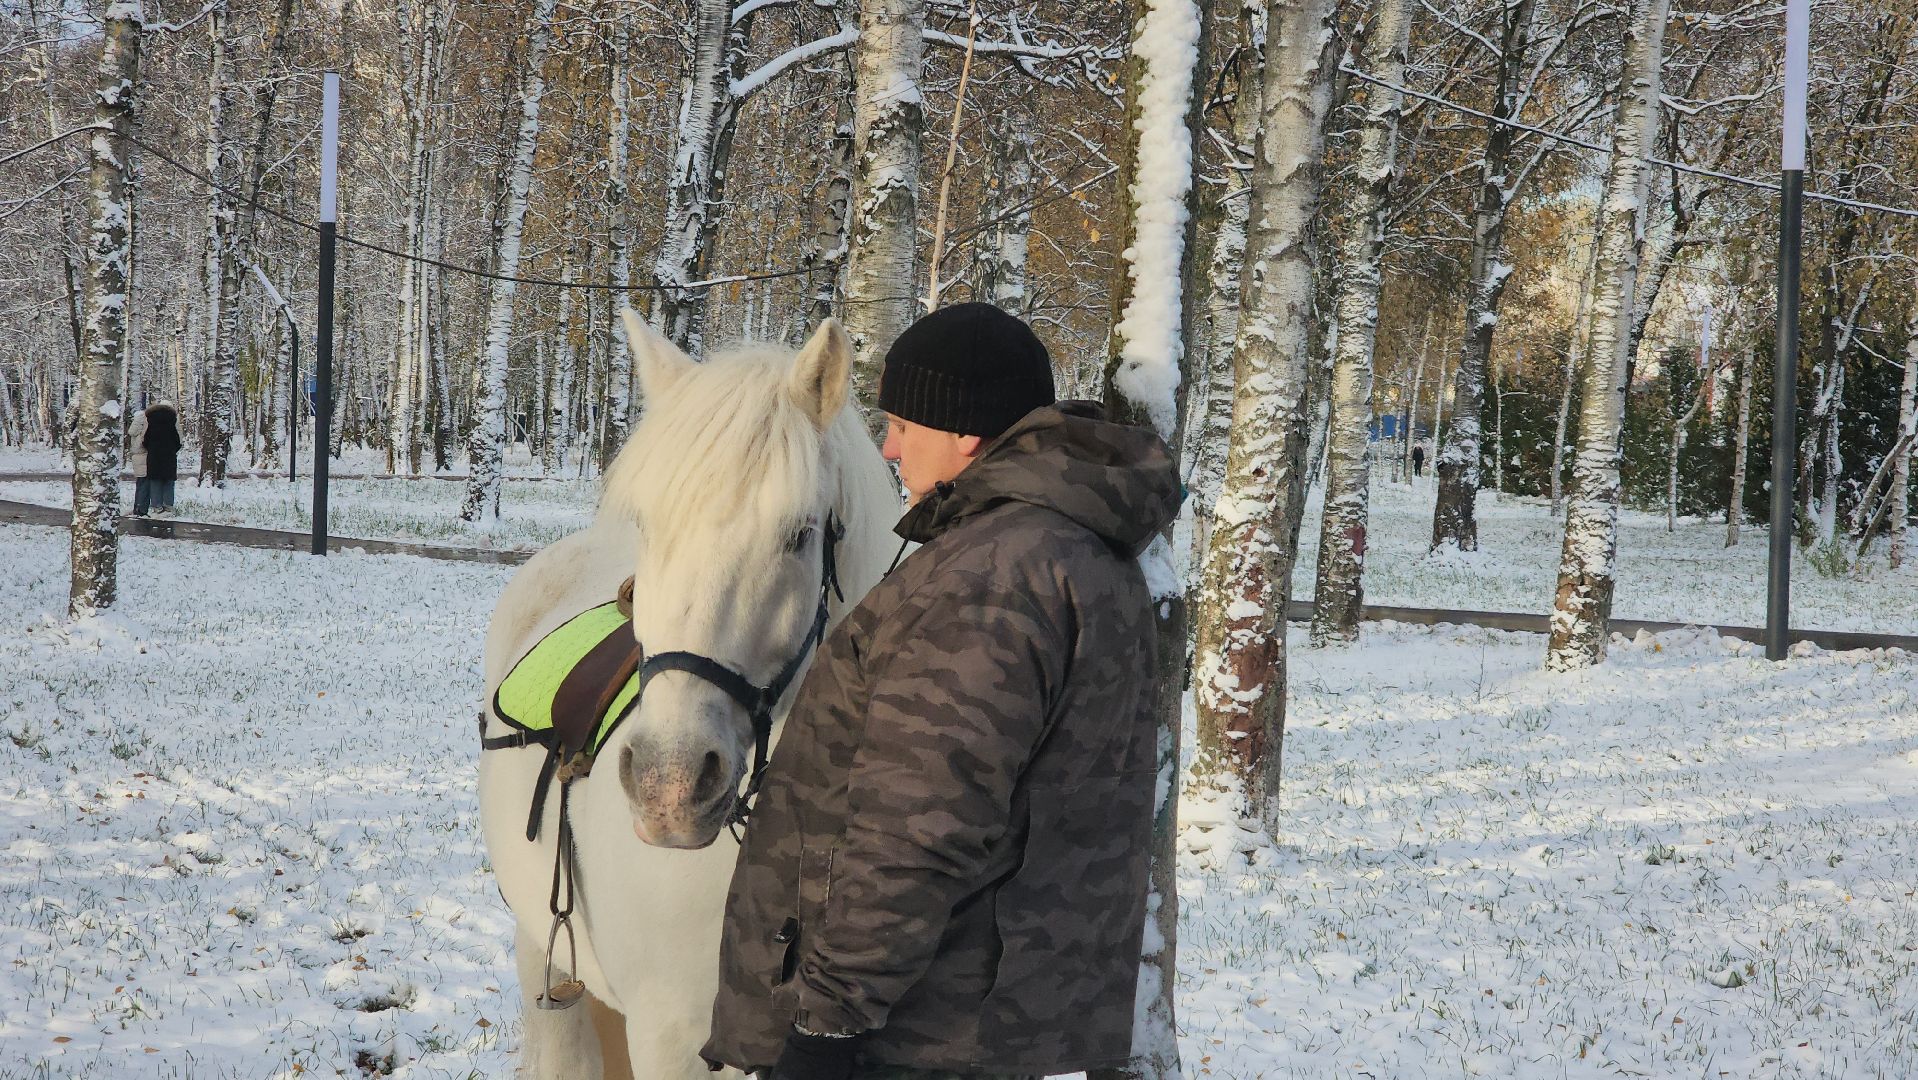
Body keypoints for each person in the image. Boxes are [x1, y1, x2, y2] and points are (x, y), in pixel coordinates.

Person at [702, 302, 1183, 1080]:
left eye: (902, 423)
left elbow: (916, 830)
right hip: (994, 1020)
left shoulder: (988, 580)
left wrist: (827, 1029)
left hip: (917, 1032)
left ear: (963, 433)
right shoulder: (1069, 547)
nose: (889, 446)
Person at [131, 401, 181, 517]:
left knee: (155, 481)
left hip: (153, 456)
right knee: (168, 482)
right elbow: (177, 441)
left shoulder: (150, 420)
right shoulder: (172, 420)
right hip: (169, 456)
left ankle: (156, 507)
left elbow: (145, 440)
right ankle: (168, 507)